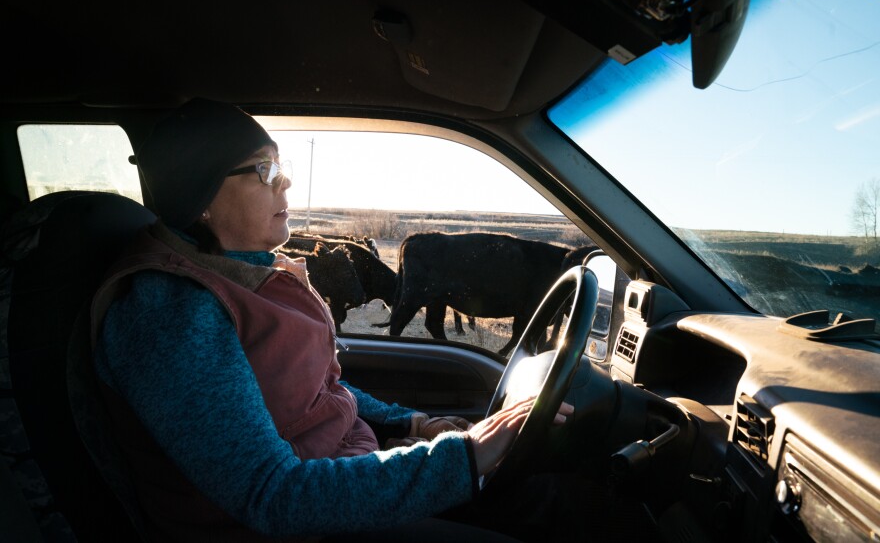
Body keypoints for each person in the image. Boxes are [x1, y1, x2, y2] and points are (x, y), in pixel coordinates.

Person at [90, 98, 573, 542]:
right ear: (201, 197)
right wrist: (466, 455)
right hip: (291, 524)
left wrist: (416, 424)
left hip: (338, 477)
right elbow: (273, 496)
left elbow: (319, 391)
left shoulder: (246, 275)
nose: (285, 181)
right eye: (265, 169)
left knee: (539, 494)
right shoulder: (170, 315)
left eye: (281, 166)